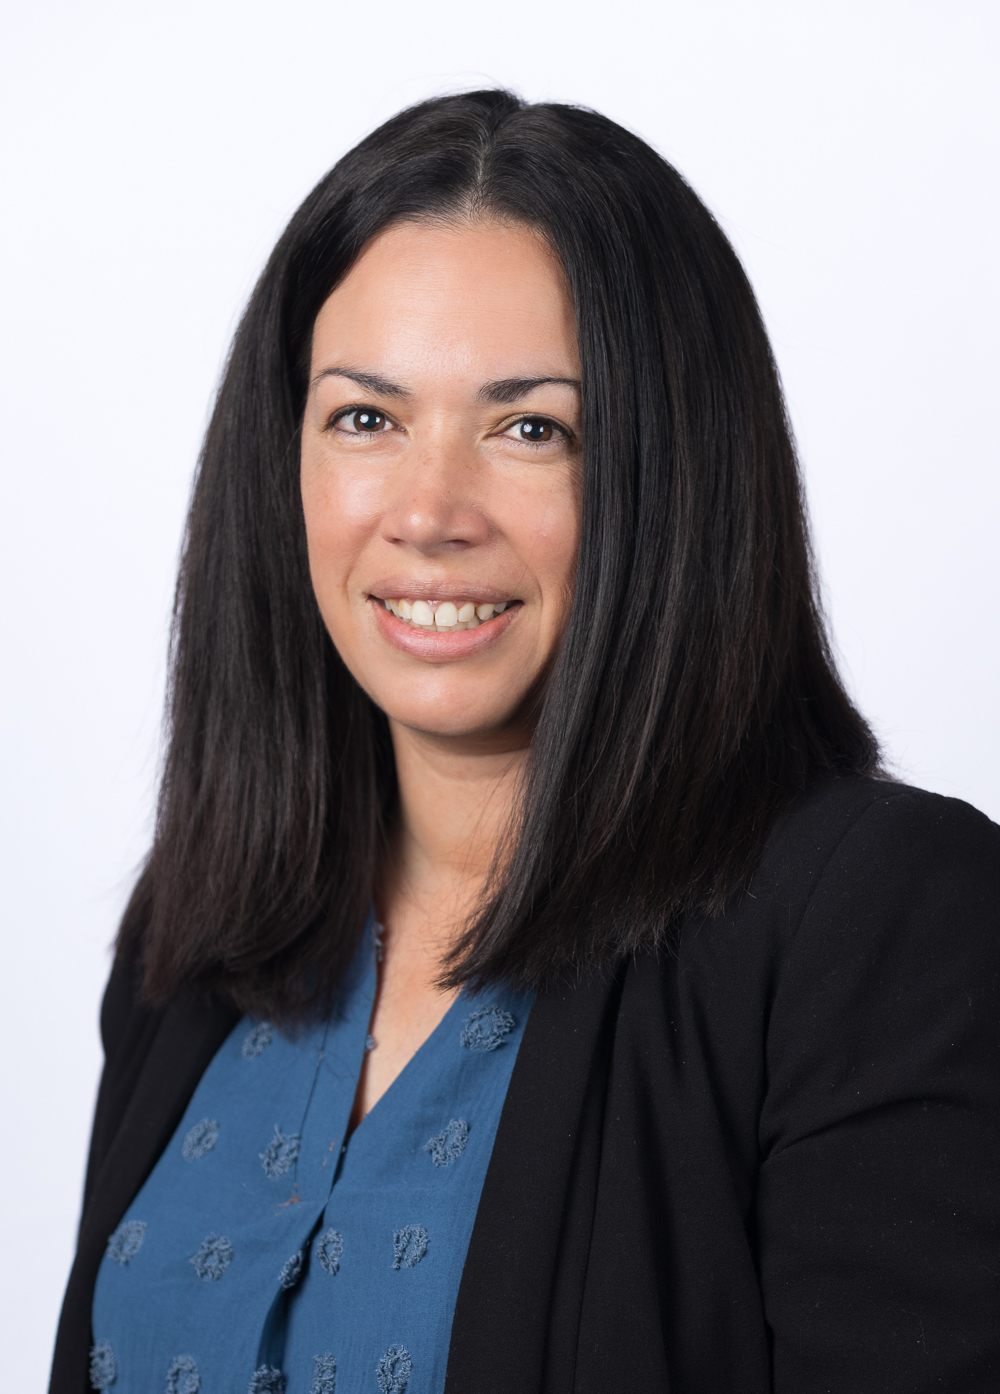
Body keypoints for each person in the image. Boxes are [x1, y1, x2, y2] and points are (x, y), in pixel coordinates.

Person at [51, 90, 1000, 1394]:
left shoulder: (874, 915)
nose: (429, 511)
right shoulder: (197, 933)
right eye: (366, 418)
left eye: (530, 427)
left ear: (672, 473)